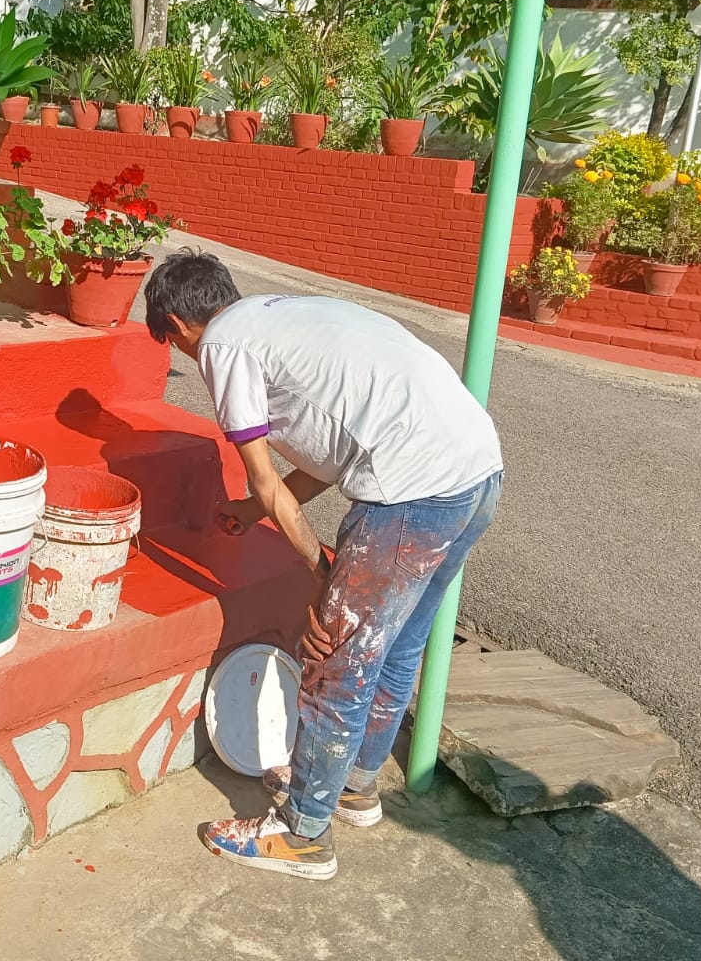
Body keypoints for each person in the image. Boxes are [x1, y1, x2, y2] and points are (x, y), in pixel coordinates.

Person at [142, 250, 503, 881]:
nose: (190, 360)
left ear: (177, 323)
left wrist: (321, 579)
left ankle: (304, 832)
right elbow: (332, 448)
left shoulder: (224, 346)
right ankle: (358, 789)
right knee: (394, 648)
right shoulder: (286, 317)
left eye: (176, 347)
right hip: (475, 475)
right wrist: (255, 512)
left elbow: (262, 472)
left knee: (336, 659)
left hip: (411, 493)